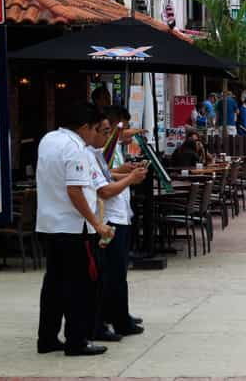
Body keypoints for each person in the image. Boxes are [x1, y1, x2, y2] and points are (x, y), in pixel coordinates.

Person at [36, 103, 115, 356]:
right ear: (84, 127)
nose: (95, 136)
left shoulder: (48, 139)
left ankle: (47, 337)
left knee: (54, 284)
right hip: (73, 227)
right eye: (95, 130)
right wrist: (96, 223)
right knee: (81, 286)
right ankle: (77, 340)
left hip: (49, 223)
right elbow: (75, 190)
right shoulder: (76, 147)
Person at [85, 110, 147, 341]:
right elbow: (103, 186)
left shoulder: (106, 151)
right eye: (110, 131)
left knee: (117, 271)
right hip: (108, 218)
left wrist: (125, 172)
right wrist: (129, 178)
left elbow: (107, 174)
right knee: (112, 273)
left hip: (121, 214)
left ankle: (117, 314)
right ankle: (114, 320)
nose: (124, 133)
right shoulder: (97, 150)